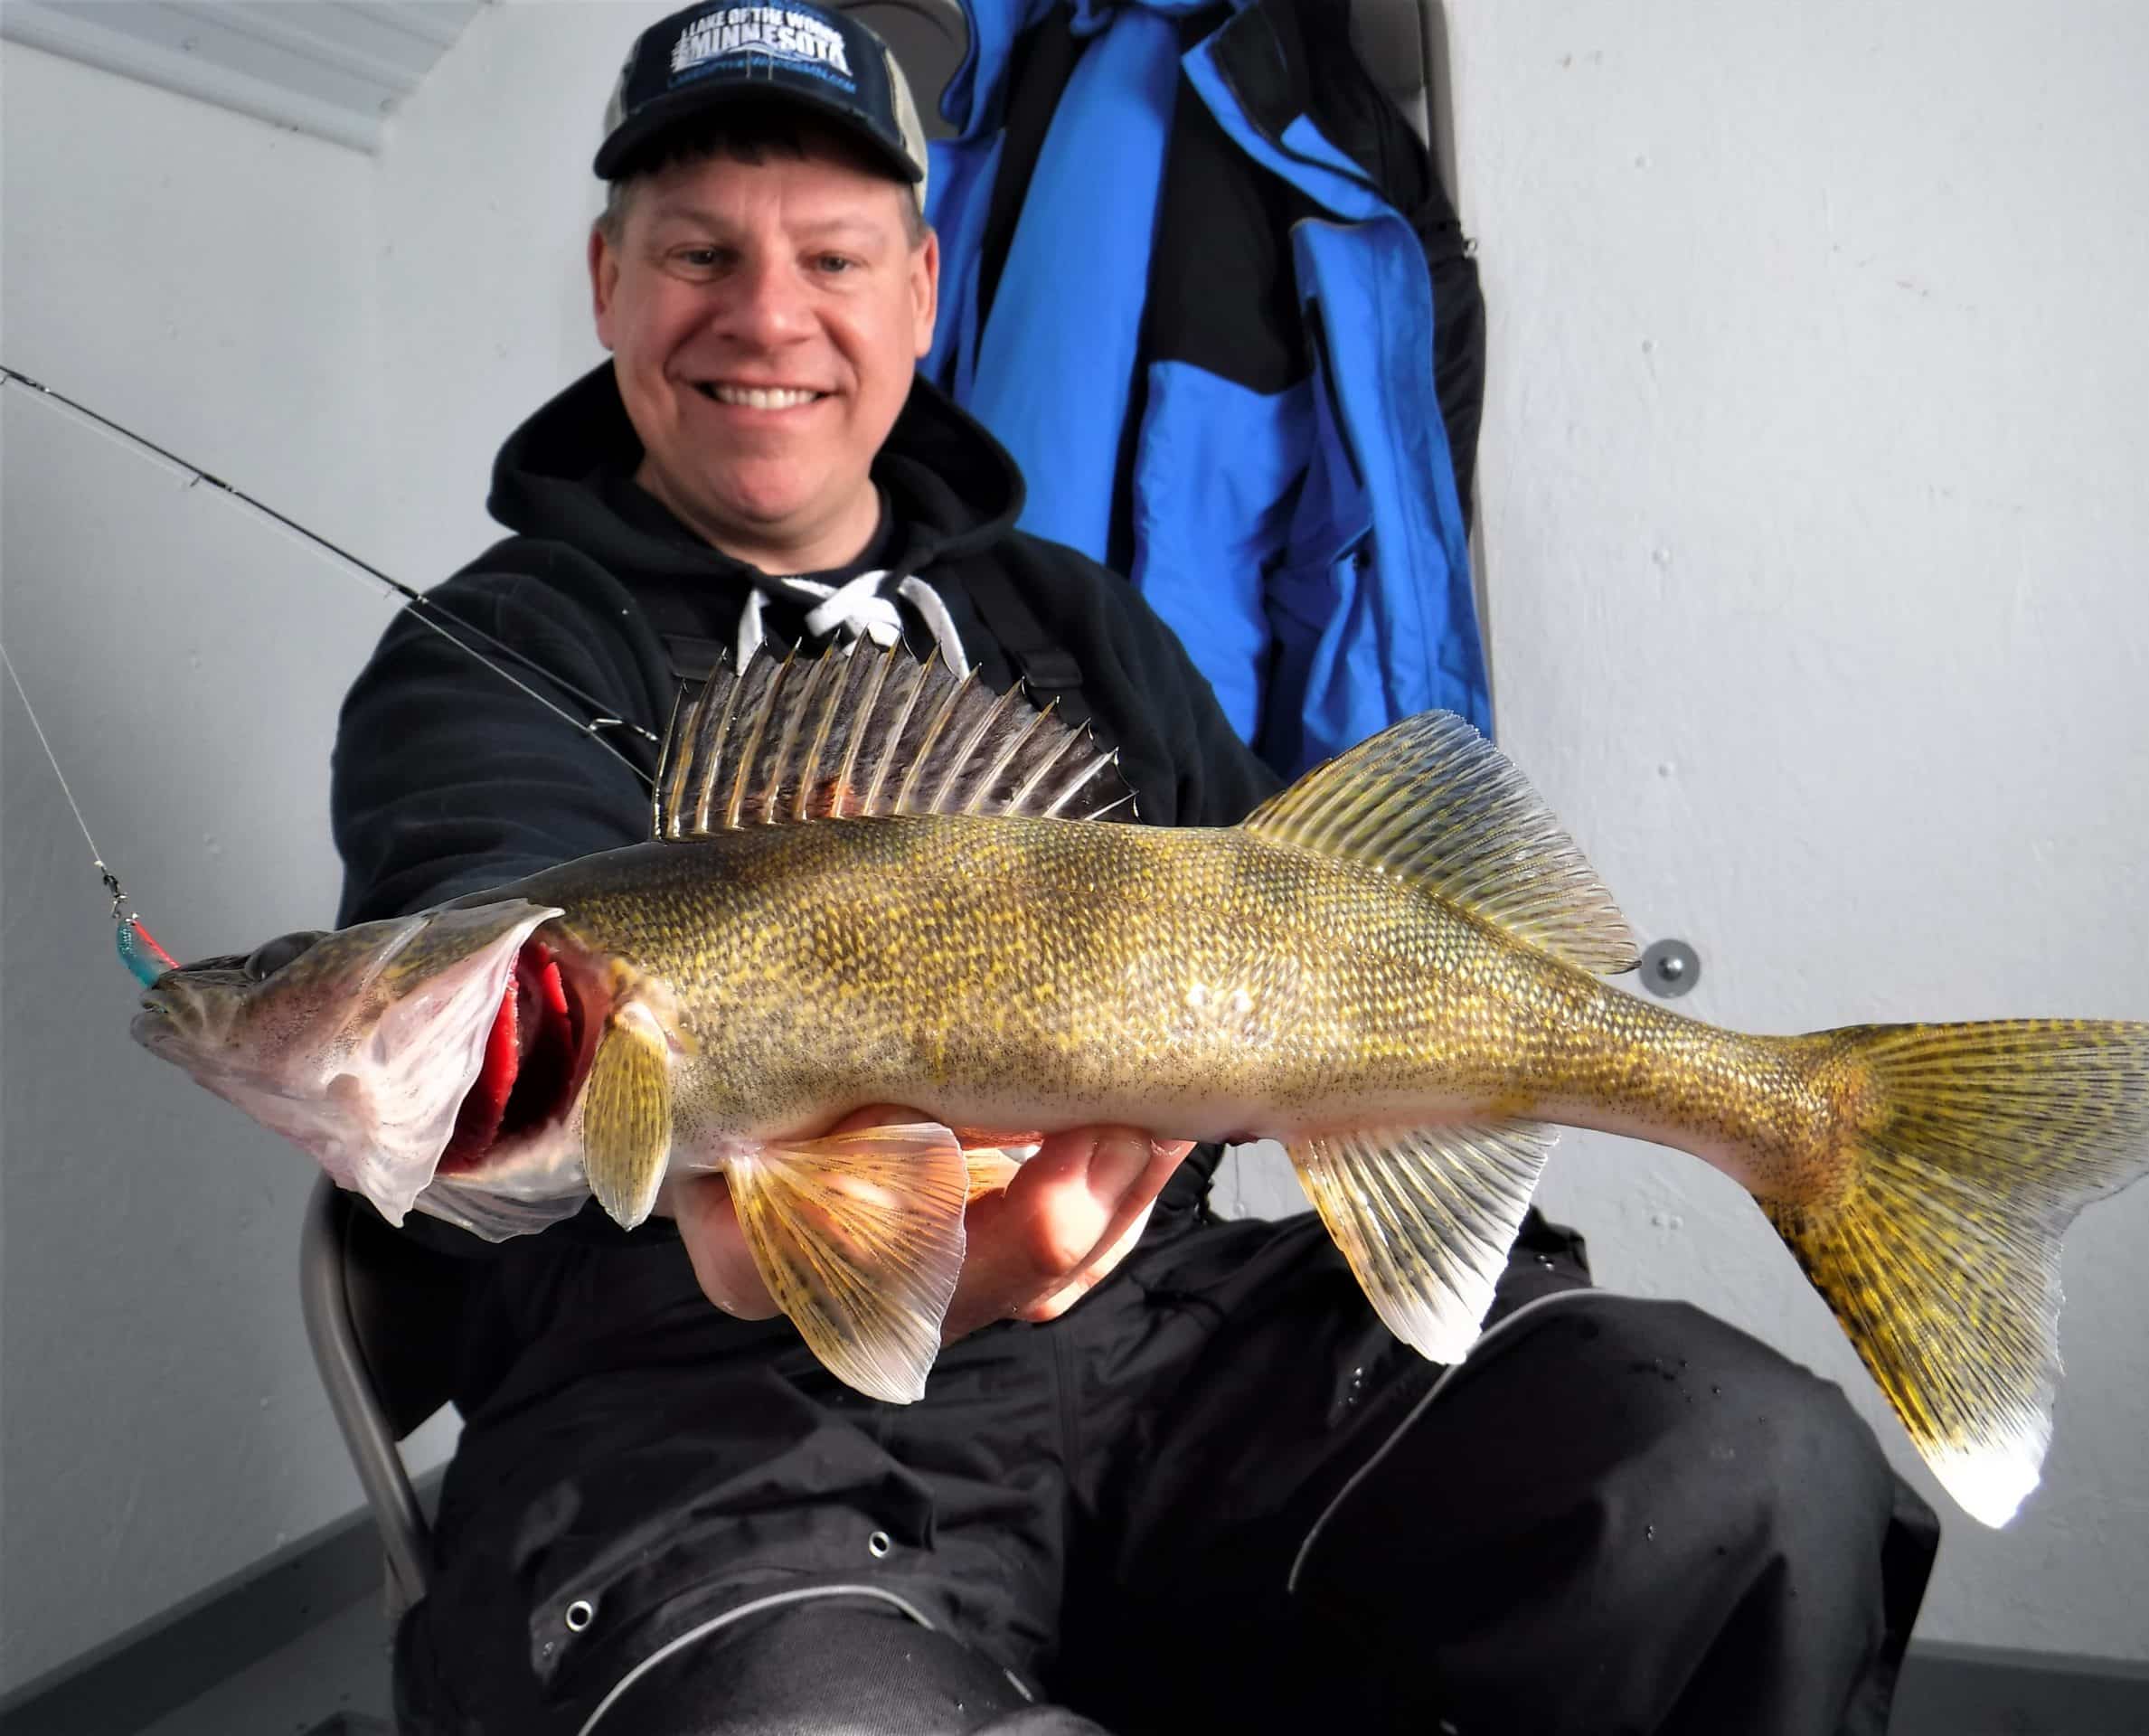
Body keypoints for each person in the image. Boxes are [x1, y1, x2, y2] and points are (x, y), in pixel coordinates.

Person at [331, 5, 1937, 1731]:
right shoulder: (485, 653)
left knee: (1739, 1464)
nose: (767, 313)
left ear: (925, 289)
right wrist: (751, 1242)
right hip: (695, 1403)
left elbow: (1300, 914)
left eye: (834, 254)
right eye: (699, 251)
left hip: (1156, 1324)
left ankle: (1816, 1132)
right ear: (608, 281)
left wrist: (1421, 1109)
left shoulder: (1074, 614)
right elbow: (479, 972)